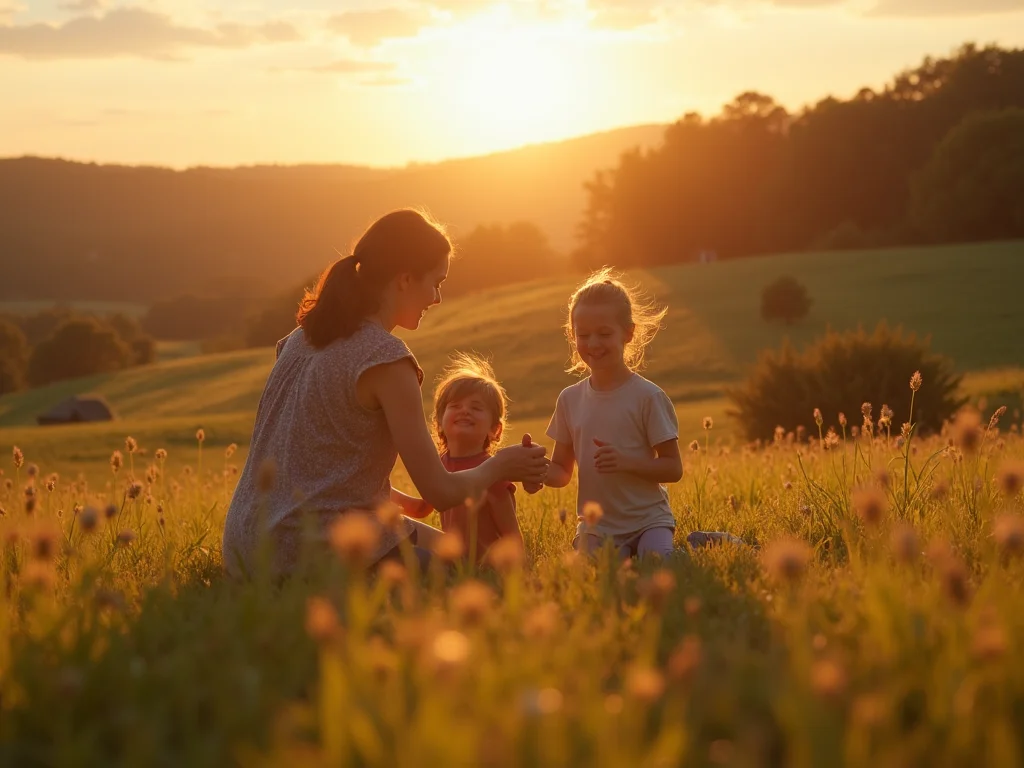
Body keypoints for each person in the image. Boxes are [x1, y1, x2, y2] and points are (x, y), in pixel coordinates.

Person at [221, 209, 547, 577]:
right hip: (307, 549)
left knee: (465, 558)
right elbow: (441, 492)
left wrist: (392, 498)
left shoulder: (300, 338)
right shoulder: (387, 361)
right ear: (405, 279)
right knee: (470, 578)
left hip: (244, 543)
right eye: (436, 283)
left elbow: (311, 451)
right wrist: (502, 465)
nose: (438, 297)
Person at [541, 268, 682, 559]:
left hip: (648, 520)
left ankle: (697, 542)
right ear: (572, 335)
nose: (593, 344)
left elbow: (673, 468)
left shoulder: (648, 397)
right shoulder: (569, 399)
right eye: (583, 335)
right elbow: (561, 472)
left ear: (628, 333)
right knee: (596, 570)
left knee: (657, 562)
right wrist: (531, 469)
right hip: (597, 526)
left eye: (604, 334)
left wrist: (626, 462)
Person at [394, 353, 524, 564]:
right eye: (455, 406)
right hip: (452, 561)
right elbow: (420, 509)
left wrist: (518, 578)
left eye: (476, 407)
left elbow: (512, 536)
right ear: (439, 423)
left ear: (495, 430)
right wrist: (383, 492)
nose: (465, 411)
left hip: (486, 567)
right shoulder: (439, 466)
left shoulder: (493, 473)